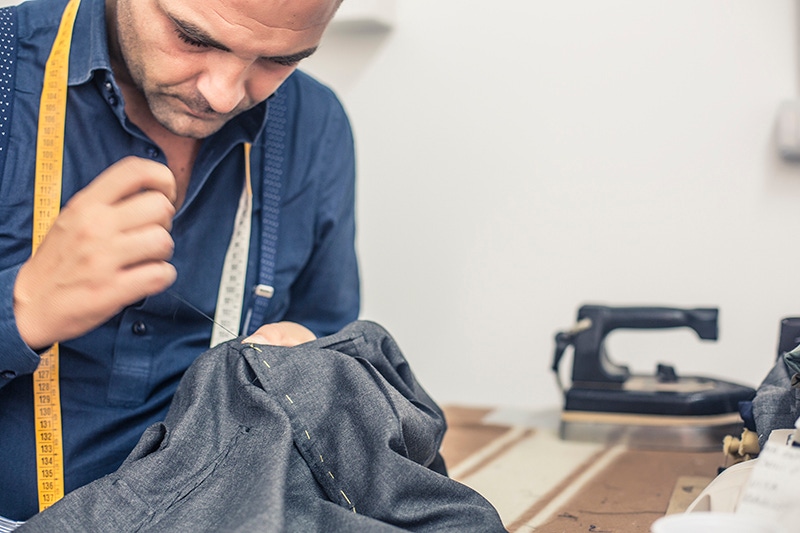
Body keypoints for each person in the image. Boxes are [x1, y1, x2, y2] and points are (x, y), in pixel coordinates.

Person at [0, 0, 359, 522]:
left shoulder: (316, 125)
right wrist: (22, 309)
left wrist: (307, 368)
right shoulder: (8, 74)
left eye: (279, 61)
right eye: (194, 38)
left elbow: (328, 341)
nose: (224, 93)